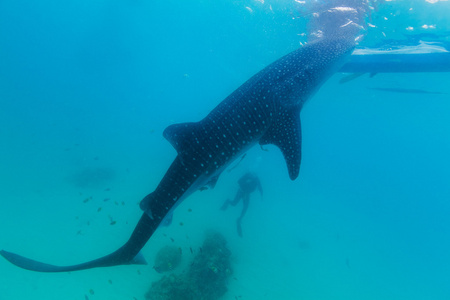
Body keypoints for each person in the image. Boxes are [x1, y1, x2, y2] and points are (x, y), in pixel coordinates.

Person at [220, 172, 263, 237]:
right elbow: (240, 181)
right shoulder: (250, 177)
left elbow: (260, 188)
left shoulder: (256, 180)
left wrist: (261, 194)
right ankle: (227, 201)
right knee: (234, 203)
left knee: (245, 208)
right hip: (241, 191)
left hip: (246, 193)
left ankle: (239, 220)